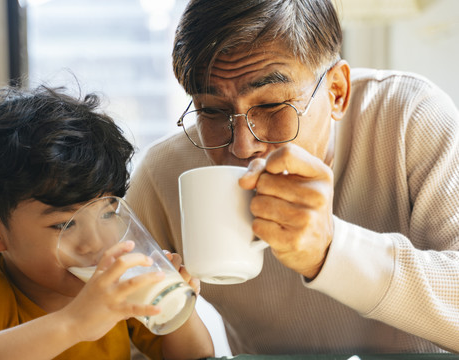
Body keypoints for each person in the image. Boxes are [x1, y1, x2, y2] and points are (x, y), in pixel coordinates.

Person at [125, 0, 459, 355]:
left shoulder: (408, 117)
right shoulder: (166, 174)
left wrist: (330, 250)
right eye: (211, 110)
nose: (242, 145)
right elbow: (116, 333)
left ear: (337, 92)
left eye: (270, 106)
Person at [0, 85, 213, 360]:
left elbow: (196, 357)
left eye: (107, 214)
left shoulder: (120, 285)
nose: (96, 243)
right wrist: (73, 323)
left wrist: (178, 313)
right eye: (64, 225)